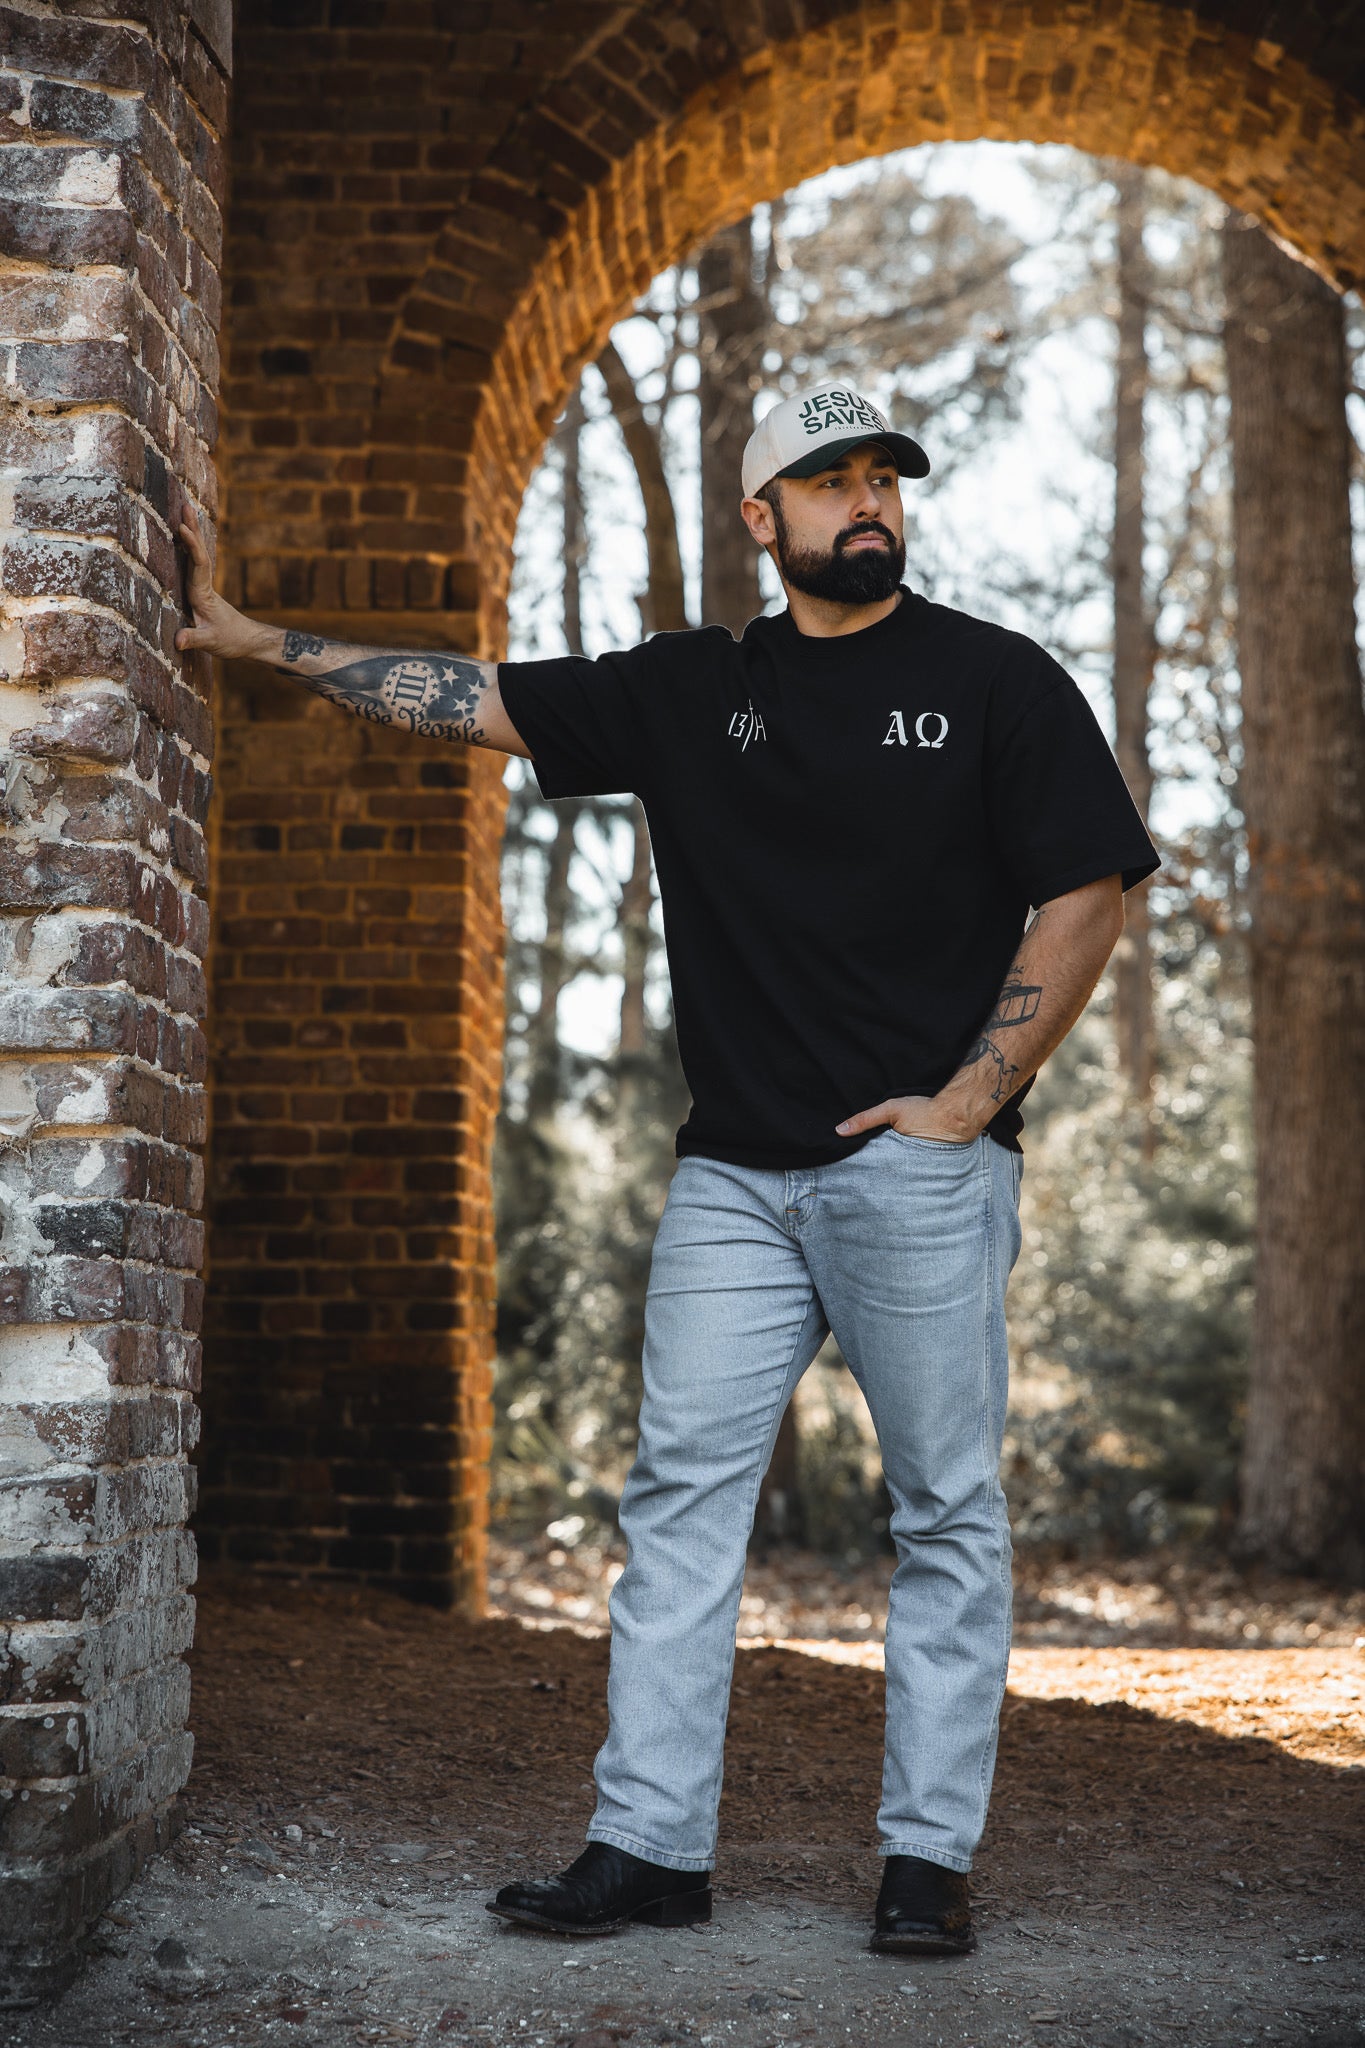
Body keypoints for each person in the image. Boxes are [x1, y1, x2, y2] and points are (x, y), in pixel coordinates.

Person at [176, 381, 1158, 1957]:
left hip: (913, 1170)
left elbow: (1085, 891)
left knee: (944, 1516)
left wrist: (971, 1098)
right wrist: (250, 642)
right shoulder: (691, 688)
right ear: (759, 519)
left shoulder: (995, 681)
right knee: (680, 1506)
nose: (865, 505)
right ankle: (647, 1846)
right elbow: (467, 694)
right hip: (731, 1183)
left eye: (880, 481)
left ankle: (923, 1861)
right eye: (824, 483)